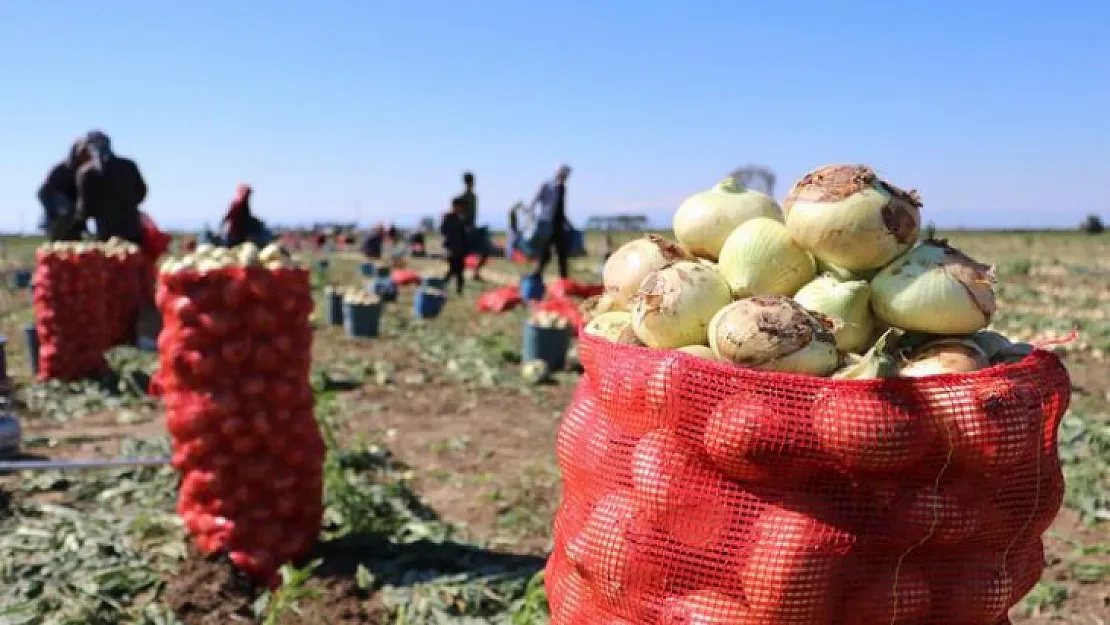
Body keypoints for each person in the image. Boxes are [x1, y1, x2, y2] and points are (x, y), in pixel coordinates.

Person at [74, 131, 148, 244]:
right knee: (132, 257)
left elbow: (84, 207)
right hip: (131, 227)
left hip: (103, 230)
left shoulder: (86, 172)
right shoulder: (128, 166)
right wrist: (129, 205)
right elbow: (142, 191)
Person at [36, 139, 86, 241]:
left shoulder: (87, 172)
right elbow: (44, 192)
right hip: (59, 215)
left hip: (75, 221)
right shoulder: (61, 169)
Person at [529, 164, 573, 279]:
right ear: (559, 173)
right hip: (547, 223)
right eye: (564, 174)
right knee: (545, 252)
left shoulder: (563, 188)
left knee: (562, 252)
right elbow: (535, 200)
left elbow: (562, 207)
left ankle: (563, 279)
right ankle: (536, 275)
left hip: (559, 224)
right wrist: (532, 216)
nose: (565, 177)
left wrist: (567, 222)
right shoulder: (547, 185)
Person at [457, 172, 488, 281]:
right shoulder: (462, 197)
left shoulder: (474, 197)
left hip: (473, 228)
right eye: (471, 181)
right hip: (464, 230)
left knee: (485, 251)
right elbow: (458, 214)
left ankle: (476, 273)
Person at [440, 196, 469, 295]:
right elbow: (443, 231)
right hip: (451, 247)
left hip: (460, 247)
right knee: (453, 269)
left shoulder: (461, 218)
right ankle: (442, 285)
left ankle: (459, 290)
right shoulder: (448, 217)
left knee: (460, 270)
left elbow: (464, 233)